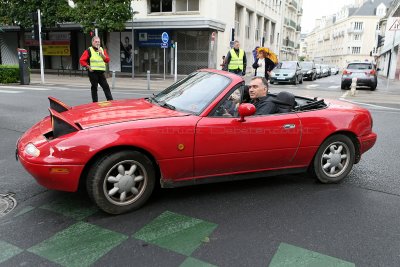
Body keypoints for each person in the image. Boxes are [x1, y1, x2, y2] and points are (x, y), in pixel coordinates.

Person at [80, 36, 113, 103]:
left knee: (106, 86)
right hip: (93, 73)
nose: (97, 43)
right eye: (96, 42)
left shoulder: (102, 50)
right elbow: (82, 60)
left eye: (98, 42)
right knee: (94, 88)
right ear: (92, 42)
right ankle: (95, 103)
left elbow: (107, 60)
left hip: (101, 73)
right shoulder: (89, 50)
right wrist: (88, 67)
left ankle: (111, 101)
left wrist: (102, 54)